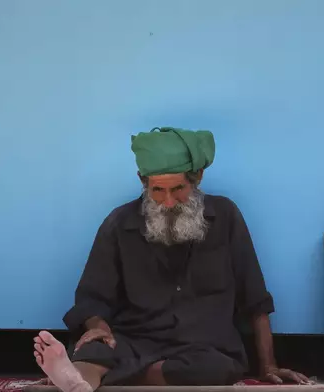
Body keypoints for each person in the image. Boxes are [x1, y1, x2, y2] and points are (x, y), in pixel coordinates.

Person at [33, 127, 310, 392]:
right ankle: (79, 380)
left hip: (203, 347)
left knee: (217, 369)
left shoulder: (225, 216)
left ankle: (96, 378)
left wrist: (268, 364)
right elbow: (92, 297)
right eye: (157, 190)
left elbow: (255, 298)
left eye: (177, 189)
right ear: (143, 182)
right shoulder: (119, 223)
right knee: (97, 348)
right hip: (134, 339)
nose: (167, 201)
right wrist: (99, 328)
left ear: (197, 177)